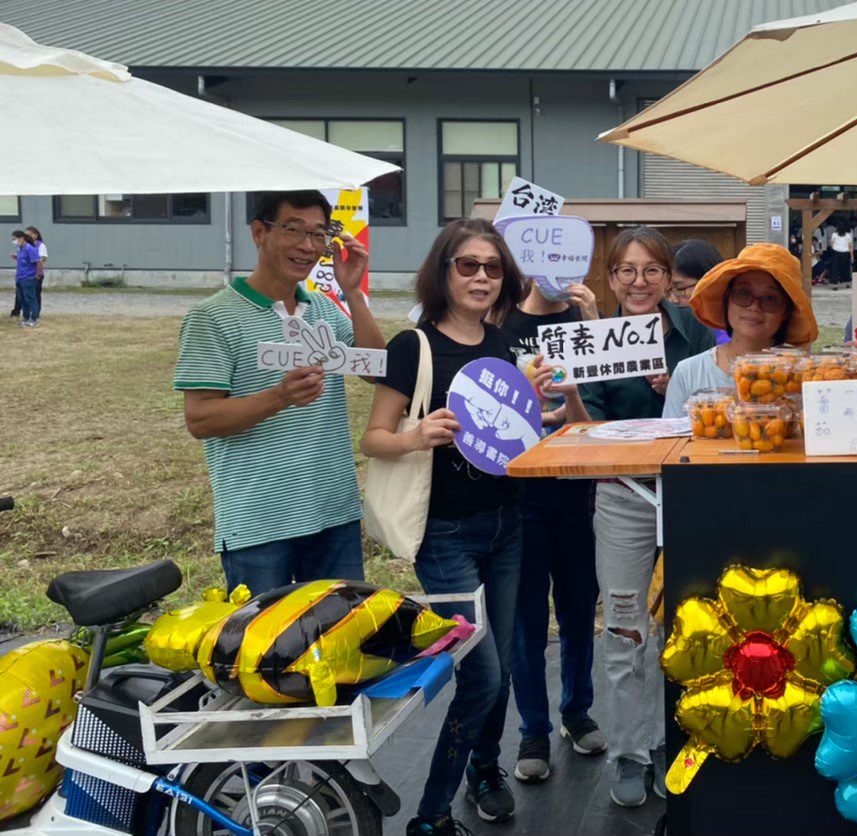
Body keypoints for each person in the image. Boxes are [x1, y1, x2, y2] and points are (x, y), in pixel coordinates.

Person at [361, 219, 575, 833]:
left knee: (500, 663)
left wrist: (541, 403)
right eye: (468, 265)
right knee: (480, 673)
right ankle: (431, 813)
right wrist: (416, 435)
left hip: (509, 524)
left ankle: (485, 767)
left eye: (493, 267)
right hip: (446, 535)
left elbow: (517, 434)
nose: (482, 277)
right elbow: (374, 438)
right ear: (443, 271)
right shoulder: (414, 347)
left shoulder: (507, 344)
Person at [174, 190, 384, 591]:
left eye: (319, 234)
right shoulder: (211, 318)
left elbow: (377, 370)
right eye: (293, 230)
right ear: (258, 232)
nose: (307, 246)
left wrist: (353, 293)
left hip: (333, 512)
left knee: (338, 641)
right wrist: (279, 397)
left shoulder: (323, 310)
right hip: (257, 524)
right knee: (266, 647)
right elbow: (200, 419)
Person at [579, 228, 715, 808]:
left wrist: (675, 396)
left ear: (669, 277)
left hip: (692, 495)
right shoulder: (592, 341)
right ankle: (631, 751)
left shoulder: (698, 335)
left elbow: (717, 411)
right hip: (623, 496)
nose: (639, 283)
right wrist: (571, 395)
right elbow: (586, 429)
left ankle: (689, 738)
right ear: (610, 280)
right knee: (626, 624)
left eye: (651, 271)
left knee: (696, 617)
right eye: (626, 272)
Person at [500, 275, 609, 784]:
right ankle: (533, 729)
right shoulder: (498, 322)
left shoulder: (585, 323)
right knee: (525, 617)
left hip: (577, 489)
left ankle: (577, 710)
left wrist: (593, 318)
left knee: (579, 606)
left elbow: (604, 408)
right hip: (517, 492)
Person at [662, 243, 818, 409]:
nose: (754, 306)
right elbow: (670, 435)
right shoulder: (688, 373)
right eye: (743, 294)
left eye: (770, 299)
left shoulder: (803, 377)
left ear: (786, 312)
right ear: (727, 299)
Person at [670, 239, 729, 343]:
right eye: (667, 290)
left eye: (679, 289)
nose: (672, 300)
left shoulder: (729, 337)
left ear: (709, 284)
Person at [12, 231, 39, 328]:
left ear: (21, 238)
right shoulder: (20, 249)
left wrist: (38, 274)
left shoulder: (30, 248)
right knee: (22, 299)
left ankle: (34, 319)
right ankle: (26, 317)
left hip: (28, 277)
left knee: (30, 298)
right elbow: (24, 261)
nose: (14, 241)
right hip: (19, 277)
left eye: (15, 239)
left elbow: (37, 261)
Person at [26, 228, 46, 317]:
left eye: (29, 234)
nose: (27, 237)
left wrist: (39, 273)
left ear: (35, 235)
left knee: (36, 294)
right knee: (28, 295)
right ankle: (29, 312)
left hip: (36, 274)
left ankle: (36, 313)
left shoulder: (41, 245)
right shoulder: (27, 246)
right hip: (27, 274)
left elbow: (43, 259)